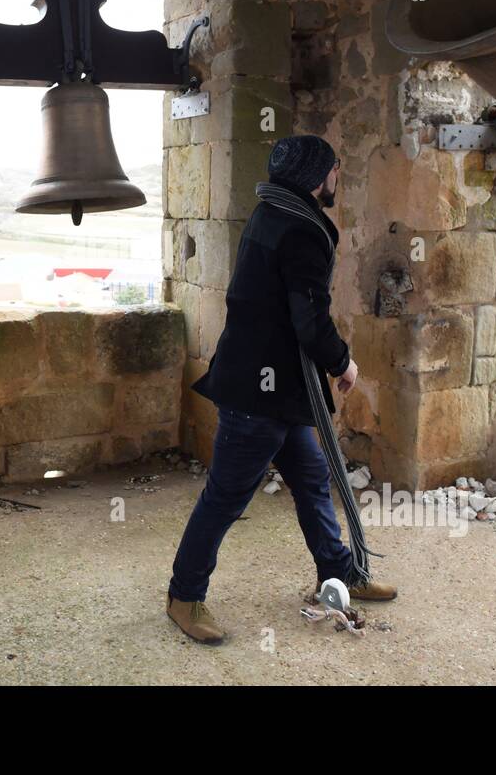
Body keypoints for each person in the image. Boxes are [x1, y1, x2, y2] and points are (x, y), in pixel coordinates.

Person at [166, 134, 397, 644]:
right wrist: (343, 362)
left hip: (275, 387)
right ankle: (184, 596)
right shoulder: (303, 230)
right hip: (260, 393)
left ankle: (340, 576)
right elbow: (308, 319)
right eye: (336, 168)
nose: (339, 176)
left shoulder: (271, 211)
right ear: (319, 177)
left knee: (313, 479)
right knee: (225, 497)